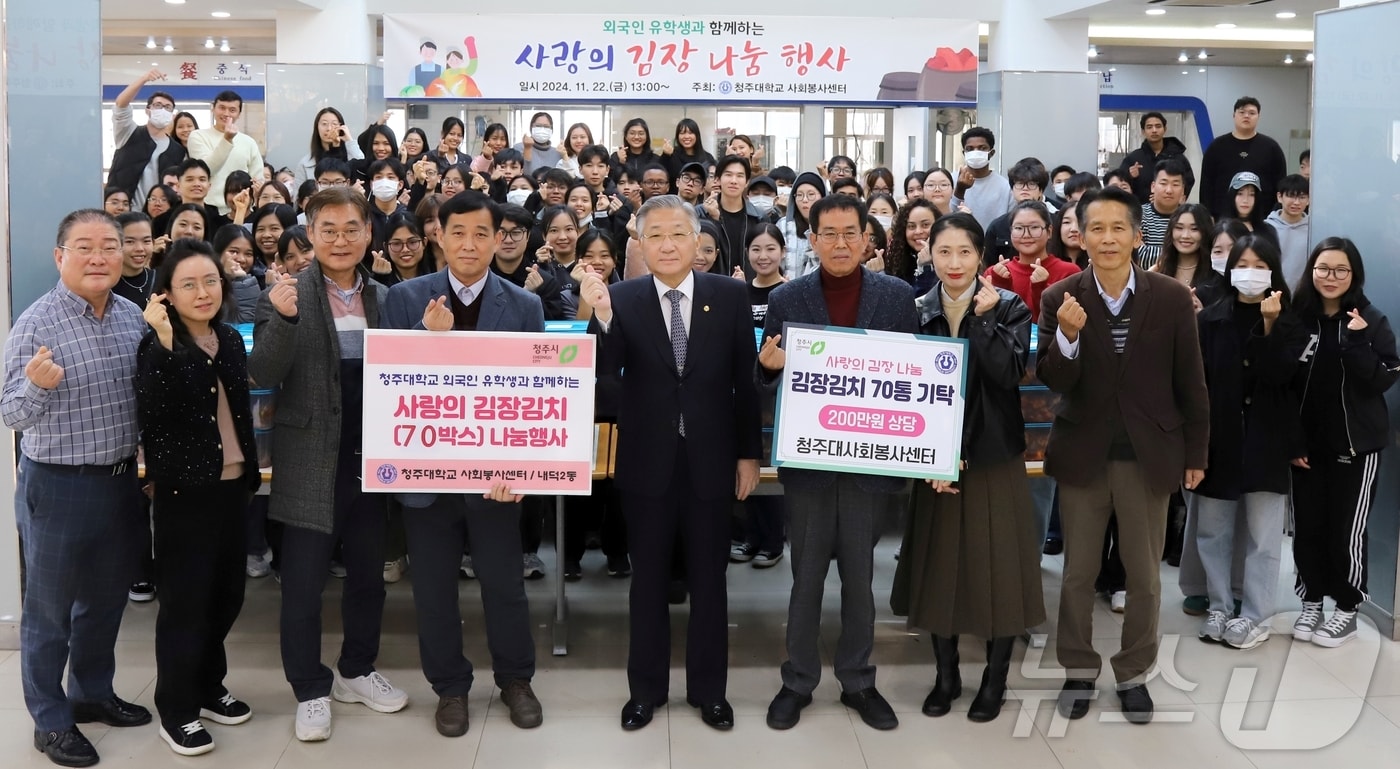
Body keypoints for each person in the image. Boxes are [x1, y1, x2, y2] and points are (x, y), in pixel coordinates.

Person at [580, 195, 762, 733]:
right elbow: (604, 382)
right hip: (646, 461)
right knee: (648, 581)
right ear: (638, 242)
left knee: (710, 580)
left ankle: (710, 692)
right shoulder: (621, 296)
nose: (667, 244)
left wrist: (748, 454)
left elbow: (745, 383)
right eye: (654, 234)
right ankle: (646, 691)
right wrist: (603, 319)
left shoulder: (729, 295)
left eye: (678, 234)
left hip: (712, 458)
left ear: (696, 239)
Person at [1037, 186, 1210, 724]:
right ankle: (1078, 670)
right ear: (1080, 236)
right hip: (1083, 453)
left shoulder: (1172, 298)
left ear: (1138, 235)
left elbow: (1192, 383)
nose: (1107, 238)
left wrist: (1197, 451)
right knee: (1077, 574)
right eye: (1096, 228)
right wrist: (1066, 336)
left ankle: (1134, 673)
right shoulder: (1060, 297)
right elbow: (1052, 378)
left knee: (1145, 575)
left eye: (1118, 228)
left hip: (1149, 454)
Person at [380, 190, 547, 736]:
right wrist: (424, 339)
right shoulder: (405, 298)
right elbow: (387, 381)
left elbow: (533, 395)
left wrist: (522, 470)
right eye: (458, 233)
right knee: (432, 588)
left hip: (496, 478)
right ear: (440, 236)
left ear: (498, 238)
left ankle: (516, 679)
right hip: (425, 477)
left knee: (504, 583)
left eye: (482, 233)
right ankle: (449, 688)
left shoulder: (523, 306)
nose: (470, 244)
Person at [246, 188, 408, 742]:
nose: (341, 240)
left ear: (369, 233)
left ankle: (356, 671)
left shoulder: (389, 297)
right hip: (312, 457)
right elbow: (261, 371)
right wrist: (285, 319)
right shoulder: (287, 294)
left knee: (369, 575)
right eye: (329, 230)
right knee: (304, 583)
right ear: (309, 235)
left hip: (374, 457)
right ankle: (310, 689)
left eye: (352, 229)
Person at [756, 195, 919, 732]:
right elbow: (767, 382)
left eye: (852, 233)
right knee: (804, 579)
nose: (841, 244)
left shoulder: (897, 297)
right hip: (809, 463)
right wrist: (770, 368)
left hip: (868, 461)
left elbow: (912, 380)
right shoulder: (788, 297)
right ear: (812, 238)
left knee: (858, 576)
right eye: (829, 234)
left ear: (868, 238)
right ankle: (797, 680)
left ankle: (859, 681)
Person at [3, 210, 151, 767]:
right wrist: (37, 389)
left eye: (108, 247)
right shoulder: (37, 323)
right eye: (84, 247)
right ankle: (50, 720)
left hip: (120, 483)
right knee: (49, 613)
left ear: (123, 255)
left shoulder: (132, 316)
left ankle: (91, 693)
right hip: (58, 486)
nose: (98, 257)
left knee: (105, 603)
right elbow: (11, 412)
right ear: (59, 256)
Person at [897, 212, 1044, 723]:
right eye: (943, 252)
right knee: (940, 569)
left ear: (981, 256)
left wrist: (982, 321)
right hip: (933, 458)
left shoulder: (1008, 307)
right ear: (928, 254)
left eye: (965, 252)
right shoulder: (914, 310)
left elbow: (1006, 375)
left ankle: (995, 680)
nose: (954, 263)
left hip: (992, 455)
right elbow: (905, 390)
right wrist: (936, 447)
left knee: (998, 572)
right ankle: (946, 675)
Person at [135, 239, 261, 755]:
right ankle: (177, 708)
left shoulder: (229, 338)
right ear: (166, 294)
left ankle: (209, 686)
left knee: (226, 596)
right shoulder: (157, 347)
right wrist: (166, 339)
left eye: (210, 281)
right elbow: (164, 408)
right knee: (185, 604)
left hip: (233, 485)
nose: (203, 292)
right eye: (188, 284)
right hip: (186, 491)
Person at [1193, 234, 1302, 651]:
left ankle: (1256, 614)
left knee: (1263, 537)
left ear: (1273, 271)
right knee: (1213, 531)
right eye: (1244, 263)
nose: (1250, 273)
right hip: (1218, 442)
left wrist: (1271, 326)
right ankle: (1220, 605)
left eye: (1260, 266)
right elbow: (1196, 384)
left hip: (1266, 442)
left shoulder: (1289, 322)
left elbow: (1282, 378)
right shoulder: (1210, 319)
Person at [1289, 238, 1400, 647]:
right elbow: (1283, 384)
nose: (1330, 277)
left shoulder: (1370, 319)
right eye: (1323, 268)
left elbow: (1383, 379)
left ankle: (1347, 609)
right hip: (1306, 449)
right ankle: (1311, 601)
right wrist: (1292, 440)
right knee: (1308, 529)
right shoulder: (1297, 318)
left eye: (1340, 270)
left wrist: (1355, 341)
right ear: (1311, 271)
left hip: (1356, 447)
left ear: (1354, 275)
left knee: (1346, 532)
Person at [728, 224, 787, 569]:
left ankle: (773, 541)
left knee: (771, 468)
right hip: (742, 392)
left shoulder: (790, 292)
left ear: (781, 251)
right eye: (756, 250)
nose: (763, 256)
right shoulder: (736, 293)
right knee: (745, 465)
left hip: (775, 396)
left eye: (770, 249)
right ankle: (750, 537)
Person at [986, 201, 1081, 322]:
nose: (1026, 235)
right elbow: (990, 321)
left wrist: (1041, 288)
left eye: (1034, 227)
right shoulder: (993, 273)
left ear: (1049, 231)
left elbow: (1063, 322)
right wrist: (1001, 286)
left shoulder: (1069, 273)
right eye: (1019, 228)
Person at [1200, 97, 1288, 228]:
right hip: (1222, 219)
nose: (1246, 116)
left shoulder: (1271, 147)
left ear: (1258, 116)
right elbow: (1206, 184)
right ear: (1234, 115)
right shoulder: (1217, 146)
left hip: (1262, 219)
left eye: (1252, 113)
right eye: (1242, 112)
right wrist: (1208, 215)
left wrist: (1276, 215)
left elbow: (1280, 184)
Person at [109, 68, 186, 210]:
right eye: (158, 105)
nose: (163, 110)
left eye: (168, 107)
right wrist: (144, 79)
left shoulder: (177, 150)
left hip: (159, 215)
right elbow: (120, 105)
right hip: (124, 211)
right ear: (147, 110)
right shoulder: (128, 133)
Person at [186, 91, 265, 215]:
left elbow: (257, 179)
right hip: (209, 208)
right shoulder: (198, 136)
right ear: (213, 108)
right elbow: (206, 170)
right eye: (222, 108)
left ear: (239, 114)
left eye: (232, 110)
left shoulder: (249, 142)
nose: (226, 114)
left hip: (241, 209)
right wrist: (227, 139)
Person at [700, 156, 778, 276]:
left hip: (749, 287)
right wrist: (714, 219)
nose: (734, 181)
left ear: (747, 182)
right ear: (717, 179)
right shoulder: (701, 213)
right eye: (728, 175)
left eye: (740, 176)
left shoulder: (759, 217)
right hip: (711, 285)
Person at [982, 158, 1053, 265]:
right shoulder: (997, 226)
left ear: (1041, 190)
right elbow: (988, 263)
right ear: (1012, 189)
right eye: (1019, 183)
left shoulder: (1056, 221)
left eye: (1031, 184)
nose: (1025, 189)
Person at [1153, 204, 1224, 310]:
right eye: (1179, 228)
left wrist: (1202, 313)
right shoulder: (1158, 270)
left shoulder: (1216, 274)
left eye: (1194, 229)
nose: (1185, 236)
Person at [1119, 112, 1195, 205]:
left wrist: (1172, 199)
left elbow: (1189, 180)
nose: (1154, 130)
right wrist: (1130, 176)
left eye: (1158, 126)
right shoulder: (1133, 158)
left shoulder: (1178, 157)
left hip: (1171, 211)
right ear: (1143, 131)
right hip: (1140, 212)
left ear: (1165, 129)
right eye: (1149, 127)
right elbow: (1119, 183)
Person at [953, 127, 1013, 228]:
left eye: (982, 148)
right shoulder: (951, 180)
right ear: (964, 153)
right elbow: (947, 214)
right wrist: (959, 190)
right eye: (970, 149)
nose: (976, 152)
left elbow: (1011, 222)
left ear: (992, 153)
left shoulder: (1005, 187)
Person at [1135, 158, 1189, 271]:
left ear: (1183, 190)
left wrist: (1148, 251)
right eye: (1163, 183)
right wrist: (1178, 253)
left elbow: (1196, 256)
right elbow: (1133, 253)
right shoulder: (1138, 214)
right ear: (1153, 187)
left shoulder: (1189, 218)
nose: (1169, 190)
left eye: (1175, 184)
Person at [293, 108, 364, 188]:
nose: (329, 128)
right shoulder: (305, 164)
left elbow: (361, 165)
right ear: (317, 128)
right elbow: (299, 198)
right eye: (324, 124)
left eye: (334, 124)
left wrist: (349, 140)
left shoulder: (351, 155)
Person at [1266, 174, 1311, 289]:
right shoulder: (1266, 227)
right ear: (1279, 197)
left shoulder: (1313, 229)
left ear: (1308, 200)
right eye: (1291, 196)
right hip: (1271, 291)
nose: (1296, 202)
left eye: (1302, 197)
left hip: (1304, 294)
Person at [777, 172, 825, 281]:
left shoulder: (830, 227)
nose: (804, 200)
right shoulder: (783, 225)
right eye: (799, 195)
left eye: (811, 194)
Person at [115, 212, 158, 307]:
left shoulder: (162, 280)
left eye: (146, 241)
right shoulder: (106, 287)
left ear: (153, 243)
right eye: (130, 242)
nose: (140, 248)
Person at [665, 119, 717, 183]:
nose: (686, 136)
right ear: (677, 136)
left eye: (690, 133)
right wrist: (665, 155)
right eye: (682, 133)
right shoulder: (671, 155)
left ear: (697, 135)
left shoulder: (707, 157)